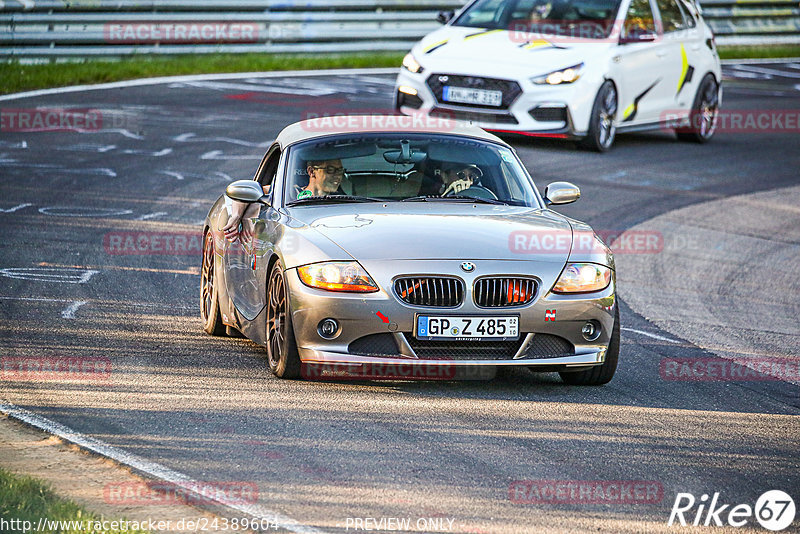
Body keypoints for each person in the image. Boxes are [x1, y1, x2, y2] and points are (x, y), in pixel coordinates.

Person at [418, 162, 483, 197]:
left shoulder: (481, 199)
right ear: (444, 176)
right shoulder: (429, 195)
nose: (468, 181)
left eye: (472, 177)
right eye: (461, 175)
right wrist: (446, 196)